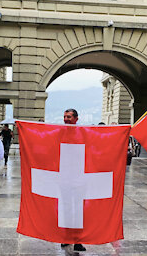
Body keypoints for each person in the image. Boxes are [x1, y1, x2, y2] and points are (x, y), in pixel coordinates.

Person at [60, 108, 86, 252]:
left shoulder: (82, 134)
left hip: (79, 179)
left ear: (76, 119)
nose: (66, 119)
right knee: (67, 209)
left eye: (69, 117)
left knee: (78, 210)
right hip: (64, 179)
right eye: (64, 117)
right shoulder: (59, 133)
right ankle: (66, 237)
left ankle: (78, 240)